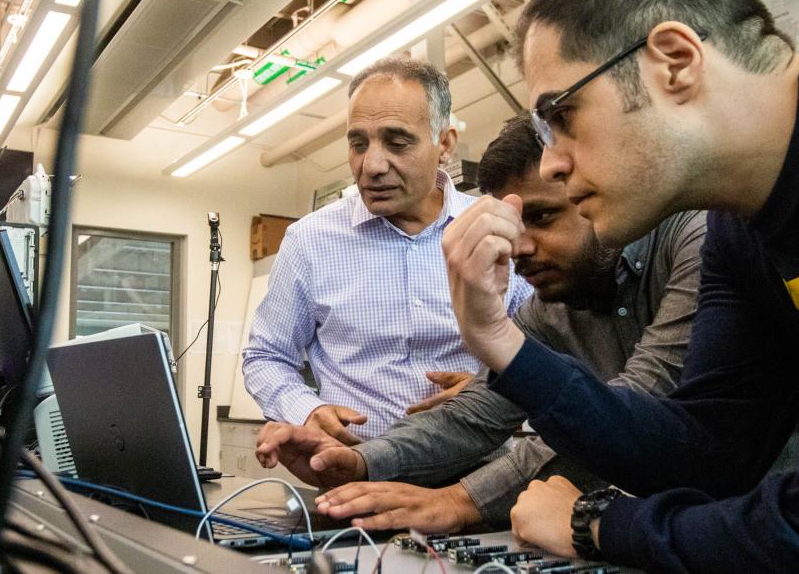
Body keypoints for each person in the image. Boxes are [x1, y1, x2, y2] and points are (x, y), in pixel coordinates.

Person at [444, 0, 799, 571]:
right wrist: (498, 340)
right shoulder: (741, 230)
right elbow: (706, 453)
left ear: (673, 60)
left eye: (562, 116)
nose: (551, 163)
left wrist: (600, 524)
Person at [255, 115, 706, 533]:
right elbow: (474, 415)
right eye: (511, 224)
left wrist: (460, 500)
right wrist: (358, 462)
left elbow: (634, 404)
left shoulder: (695, 240)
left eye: (543, 216)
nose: (519, 247)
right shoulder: (553, 302)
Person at [242, 57, 531, 444]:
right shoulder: (310, 242)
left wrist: (495, 392)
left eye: (397, 142)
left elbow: (545, 356)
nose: (372, 165)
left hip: (480, 482)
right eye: (358, 144)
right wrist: (306, 410)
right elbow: (266, 358)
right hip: (355, 477)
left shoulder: (496, 233)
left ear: (444, 144)